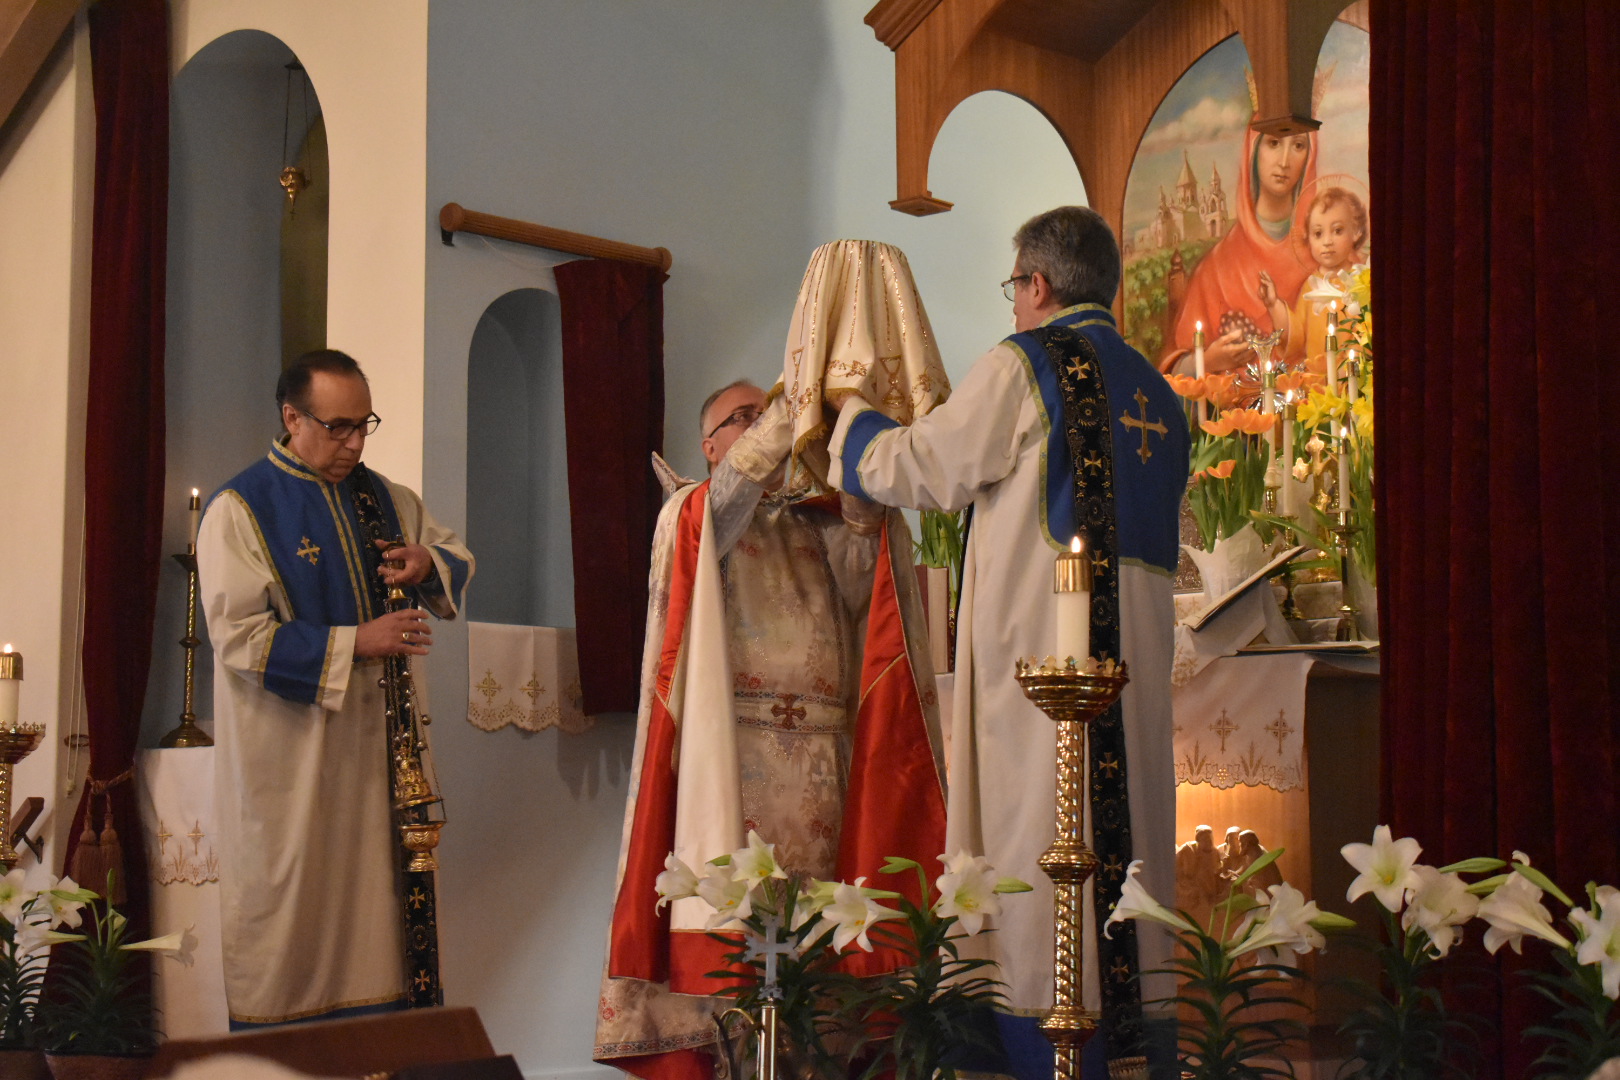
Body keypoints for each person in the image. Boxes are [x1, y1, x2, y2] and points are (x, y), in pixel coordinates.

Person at [827, 206, 1190, 1078]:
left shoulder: (1025, 364)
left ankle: (1043, 1050)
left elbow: (928, 467)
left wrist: (851, 423)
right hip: (1132, 676)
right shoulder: (1161, 396)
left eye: (1014, 288)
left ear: (1037, 283)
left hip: (1043, 673)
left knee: (1036, 845)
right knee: (1126, 846)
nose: (1016, 304)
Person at [595, 366, 946, 1080]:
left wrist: (853, 468)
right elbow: (726, 504)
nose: (764, 427)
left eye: (768, 414)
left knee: (823, 967)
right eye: (744, 417)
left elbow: (865, 585)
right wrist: (791, 408)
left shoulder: (814, 523)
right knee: (741, 953)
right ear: (710, 446)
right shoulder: (694, 513)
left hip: (823, 774)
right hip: (738, 773)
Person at [198, 349, 473, 1028]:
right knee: (298, 920)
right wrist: (357, 642)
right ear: (292, 417)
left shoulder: (388, 499)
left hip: (385, 755)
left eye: (363, 425)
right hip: (293, 762)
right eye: (337, 426)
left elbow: (455, 555)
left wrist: (427, 562)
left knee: (385, 915)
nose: (354, 444)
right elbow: (239, 638)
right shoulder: (240, 510)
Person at [1160, 129, 1319, 377]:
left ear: (1310, 156)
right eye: (1274, 143)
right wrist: (1208, 361)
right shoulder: (1215, 267)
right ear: (1252, 151)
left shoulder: (1325, 257)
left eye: (1298, 145)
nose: (1284, 161)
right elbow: (1173, 373)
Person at [1260, 184, 1369, 364]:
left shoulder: (1362, 281)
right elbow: (1296, 338)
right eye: (1318, 233)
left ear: (1356, 231)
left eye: (1338, 231)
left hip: (1351, 373)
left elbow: (1367, 331)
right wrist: (1274, 304)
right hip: (1316, 376)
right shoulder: (1311, 286)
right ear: (1308, 238)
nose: (1327, 241)